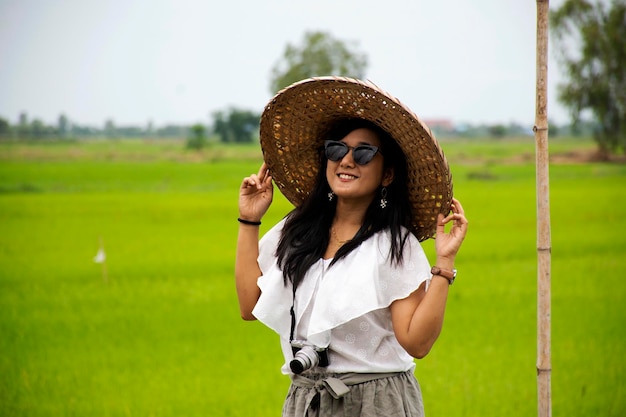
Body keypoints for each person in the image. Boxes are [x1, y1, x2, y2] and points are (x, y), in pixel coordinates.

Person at [235, 77, 468, 417]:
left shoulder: (393, 245)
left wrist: (444, 263)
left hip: (375, 402)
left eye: (363, 152)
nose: (346, 160)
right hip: (306, 399)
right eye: (337, 149)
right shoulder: (298, 230)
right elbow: (249, 305)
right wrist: (249, 221)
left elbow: (416, 343)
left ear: (387, 174)